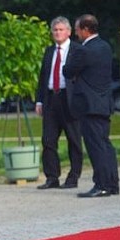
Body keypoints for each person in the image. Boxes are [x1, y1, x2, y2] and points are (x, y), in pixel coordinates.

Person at [62, 14, 120, 198]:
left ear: (86, 30)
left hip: (88, 104)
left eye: (77, 29)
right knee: (105, 144)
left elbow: (68, 71)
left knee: (96, 146)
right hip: (103, 103)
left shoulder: (83, 51)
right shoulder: (105, 47)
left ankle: (101, 184)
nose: (76, 33)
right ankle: (112, 184)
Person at [34, 16, 82, 190]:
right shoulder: (49, 52)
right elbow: (42, 78)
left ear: (68, 32)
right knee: (48, 140)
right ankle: (52, 177)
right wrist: (39, 100)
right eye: (55, 30)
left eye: (61, 30)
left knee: (74, 140)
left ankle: (73, 176)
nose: (58, 33)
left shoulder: (77, 50)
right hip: (50, 99)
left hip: (69, 100)